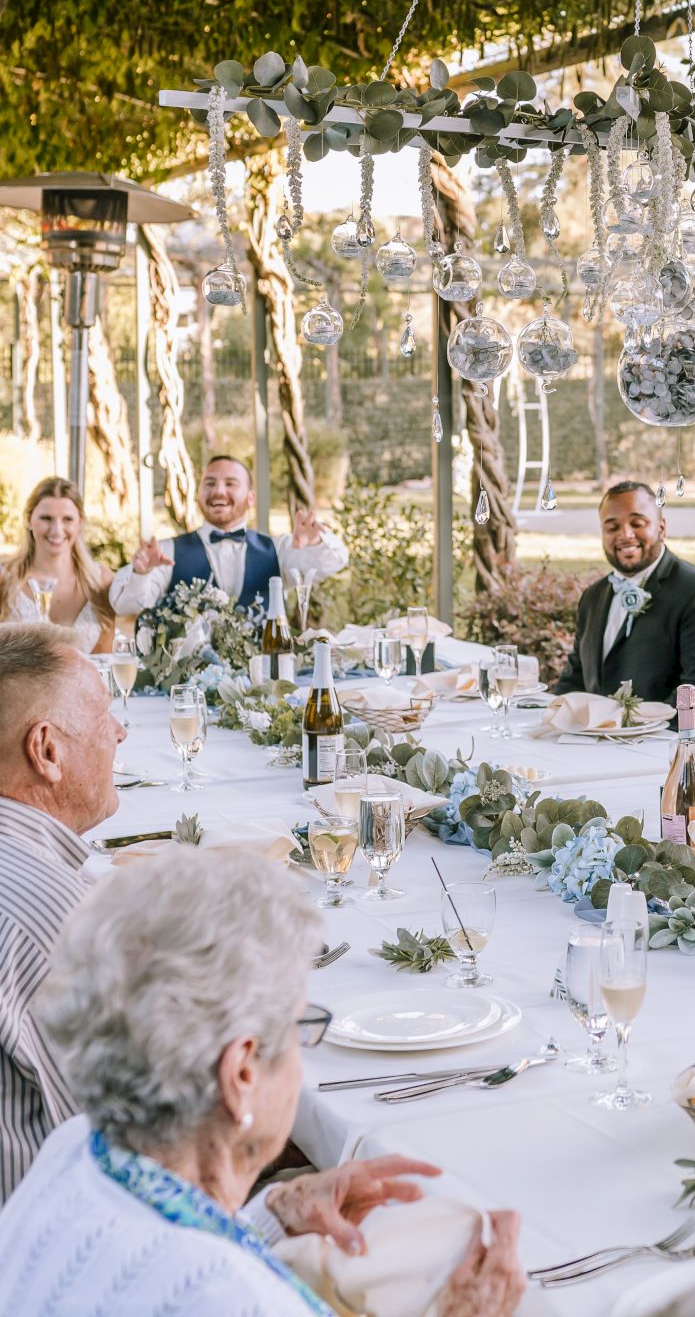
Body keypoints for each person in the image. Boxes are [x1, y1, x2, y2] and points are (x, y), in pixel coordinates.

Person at [0, 848, 527, 1317]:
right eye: (301, 1025)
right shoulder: (232, 1297)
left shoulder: (74, 1151)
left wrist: (271, 1219)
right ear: (242, 1075)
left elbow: (154, 1253)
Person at [0, 623, 126, 1201]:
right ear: (47, 750)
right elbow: (132, 1145)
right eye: (105, 719)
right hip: (35, 1241)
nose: (121, 733)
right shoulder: (54, 917)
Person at [554, 481, 695, 706]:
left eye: (637, 523)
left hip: (663, 739)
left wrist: (621, 727)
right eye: (612, 527)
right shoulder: (593, 596)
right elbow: (573, 680)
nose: (625, 534)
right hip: (591, 739)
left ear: (661, 528)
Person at [109, 454, 348, 619]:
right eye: (209, 483)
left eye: (230, 483)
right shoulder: (166, 553)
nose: (218, 491)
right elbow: (122, 606)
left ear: (251, 497)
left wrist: (312, 543)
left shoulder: (279, 549)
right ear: (199, 494)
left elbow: (333, 563)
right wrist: (142, 574)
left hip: (266, 681)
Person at [0, 477, 115, 651]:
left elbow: (105, 660)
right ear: (28, 520)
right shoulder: (5, 577)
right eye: (46, 518)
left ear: (80, 523)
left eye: (67, 519)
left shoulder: (102, 581)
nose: (56, 530)